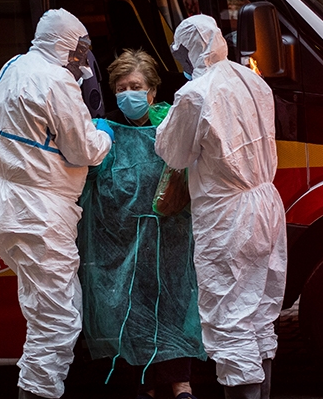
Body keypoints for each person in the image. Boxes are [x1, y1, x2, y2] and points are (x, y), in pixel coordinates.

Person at [0, 8, 114, 399]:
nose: (82, 61)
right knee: (56, 322)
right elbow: (83, 148)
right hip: (38, 214)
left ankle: (36, 386)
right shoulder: (56, 80)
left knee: (50, 310)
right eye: (80, 51)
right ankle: (36, 392)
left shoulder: (14, 66)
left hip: (5, 205)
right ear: (65, 45)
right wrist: (103, 134)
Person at [155, 15, 287, 399]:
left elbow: (173, 152)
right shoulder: (253, 80)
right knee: (260, 314)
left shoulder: (195, 93)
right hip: (266, 203)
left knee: (229, 319)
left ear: (188, 49)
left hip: (228, 215)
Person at [77, 49, 204, 399]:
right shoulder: (106, 131)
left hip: (171, 239)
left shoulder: (168, 126)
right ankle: (145, 384)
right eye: (121, 87)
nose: (127, 93)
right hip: (121, 244)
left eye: (135, 85)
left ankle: (181, 383)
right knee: (131, 309)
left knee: (174, 305)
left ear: (152, 91)